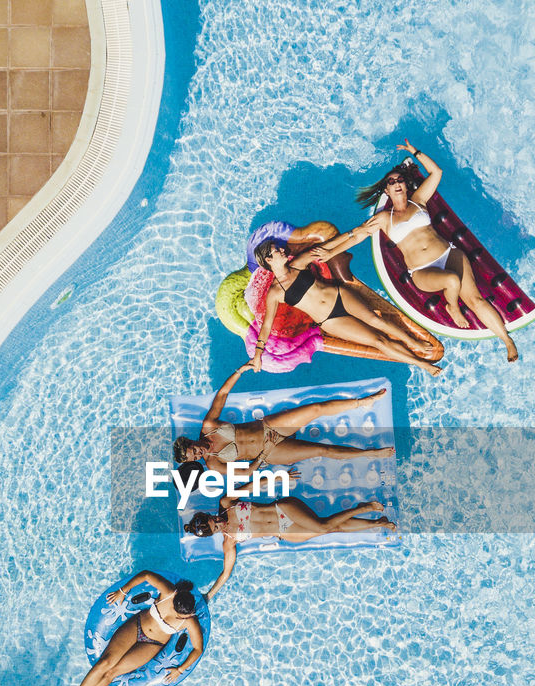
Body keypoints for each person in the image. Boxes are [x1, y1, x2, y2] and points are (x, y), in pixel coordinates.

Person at [331, 140, 520, 362]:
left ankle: (507, 342)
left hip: (449, 254)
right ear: (387, 189)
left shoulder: (418, 200)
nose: (397, 183)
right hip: (422, 270)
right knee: (451, 281)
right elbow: (358, 235)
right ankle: (452, 307)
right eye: (392, 182)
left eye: (400, 179)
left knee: (476, 300)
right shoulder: (384, 218)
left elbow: (436, 172)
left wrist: (415, 151)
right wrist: (330, 250)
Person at [252, 239, 443, 376]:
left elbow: (325, 247)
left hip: (340, 295)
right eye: (276, 250)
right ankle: (421, 364)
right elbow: (267, 326)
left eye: (279, 247)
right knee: (378, 341)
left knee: (377, 320)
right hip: (330, 321)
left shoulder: (298, 264)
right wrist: (258, 355)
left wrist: (356, 233)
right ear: (268, 260)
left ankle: (414, 342)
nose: (282, 250)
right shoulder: (275, 293)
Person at [173, 362, 395, 475]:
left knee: (316, 408)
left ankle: (363, 402)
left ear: (191, 441)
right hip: (269, 452)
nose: (199, 453)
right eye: (195, 457)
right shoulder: (213, 464)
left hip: (268, 427)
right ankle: (370, 454)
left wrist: (239, 371)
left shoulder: (209, 426)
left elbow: (221, 395)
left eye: (194, 449)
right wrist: (263, 456)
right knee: (321, 450)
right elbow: (246, 472)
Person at [186, 496, 395, 599]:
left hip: (283, 510)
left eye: (214, 520)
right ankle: (377, 523)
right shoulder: (229, 540)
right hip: (285, 532)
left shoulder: (226, 503)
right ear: (214, 533)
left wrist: (276, 478)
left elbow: (249, 486)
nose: (219, 523)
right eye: (215, 527)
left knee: (323, 525)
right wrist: (208, 595)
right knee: (330, 529)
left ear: (209, 514)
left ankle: (365, 508)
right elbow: (225, 573)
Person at [59, 571, 203, 686]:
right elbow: (146, 575)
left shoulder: (190, 620)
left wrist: (179, 670)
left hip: (152, 644)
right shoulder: (169, 592)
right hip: (137, 626)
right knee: (105, 662)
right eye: (179, 615)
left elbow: (198, 649)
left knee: (111, 673)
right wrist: (123, 591)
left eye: (184, 616)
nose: (183, 617)